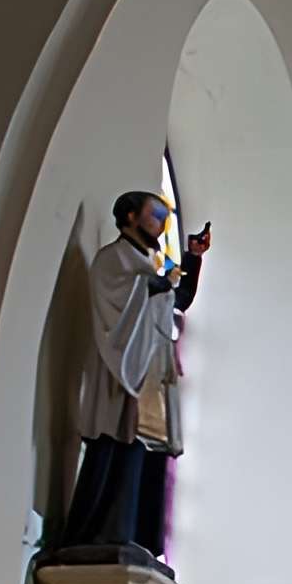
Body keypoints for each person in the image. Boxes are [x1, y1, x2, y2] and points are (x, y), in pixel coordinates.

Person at [62, 187, 208, 560]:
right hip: (123, 374)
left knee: (145, 454)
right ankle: (98, 533)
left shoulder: (143, 267)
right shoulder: (113, 260)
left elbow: (179, 300)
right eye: (154, 214)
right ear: (129, 217)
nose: (161, 224)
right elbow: (120, 303)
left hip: (150, 375)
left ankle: (135, 536)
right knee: (116, 448)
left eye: (163, 218)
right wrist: (156, 283)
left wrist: (192, 257)